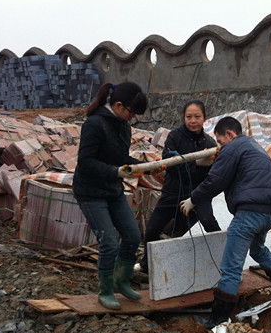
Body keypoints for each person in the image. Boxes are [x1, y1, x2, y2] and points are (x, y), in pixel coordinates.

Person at [180, 116, 271, 328]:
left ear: (230, 134)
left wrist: (193, 200)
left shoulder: (232, 148)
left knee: (231, 268)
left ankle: (217, 319)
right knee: (258, 250)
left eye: (220, 141)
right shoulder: (255, 147)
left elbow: (215, 181)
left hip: (249, 214)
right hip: (269, 213)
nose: (219, 147)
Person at [73, 81, 148, 309]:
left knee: (133, 235)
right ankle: (105, 290)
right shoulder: (94, 124)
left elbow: (119, 157)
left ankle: (121, 281)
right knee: (109, 242)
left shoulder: (123, 126)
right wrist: (115, 172)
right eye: (131, 112)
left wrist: (144, 166)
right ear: (118, 105)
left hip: (112, 189)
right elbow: (85, 162)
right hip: (90, 192)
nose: (132, 118)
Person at [139, 100, 220, 273]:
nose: (193, 121)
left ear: (204, 118)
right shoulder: (174, 137)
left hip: (197, 194)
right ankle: (146, 265)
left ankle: (220, 263)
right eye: (189, 117)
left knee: (208, 225)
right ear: (183, 118)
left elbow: (214, 172)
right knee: (152, 229)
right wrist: (197, 163)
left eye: (197, 116)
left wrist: (208, 166)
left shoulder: (209, 142)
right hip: (173, 191)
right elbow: (170, 164)